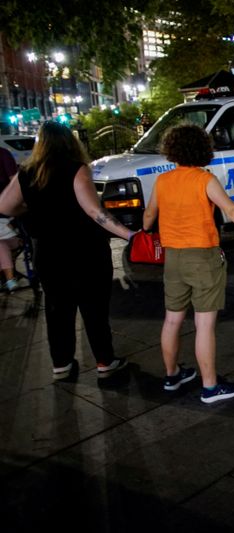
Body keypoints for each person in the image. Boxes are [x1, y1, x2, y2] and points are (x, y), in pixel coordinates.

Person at [142, 124, 234, 404]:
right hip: (202, 256)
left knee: (172, 319)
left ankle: (172, 374)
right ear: (202, 148)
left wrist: (146, 227)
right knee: (204, 325)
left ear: (171, 149)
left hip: (173, 257)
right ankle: (211, 387)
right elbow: (231, 210)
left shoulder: (163, 181)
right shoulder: (204, 179)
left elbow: (149, 216)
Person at [0, 122, 134, 379]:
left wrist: (30, 209)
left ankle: (61, 363)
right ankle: (105, 362)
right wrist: (129, 235)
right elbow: (94, 211)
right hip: (85, 251)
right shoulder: (76, 169)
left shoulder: (28, 172)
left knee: (57, 308)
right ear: (69, 142)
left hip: (48, 253)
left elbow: (5, 206)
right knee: (93, 307)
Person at [0, 146, 19, 292]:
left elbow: (15, 183)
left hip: (6, 215)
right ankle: (9, 278)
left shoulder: (3, 155)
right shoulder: (4, 154)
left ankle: (9, 278)